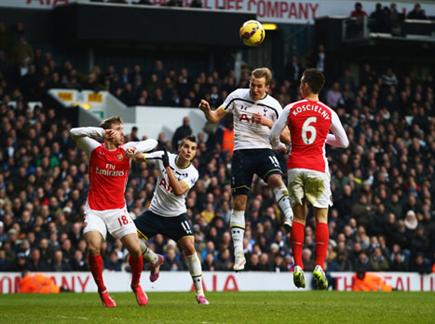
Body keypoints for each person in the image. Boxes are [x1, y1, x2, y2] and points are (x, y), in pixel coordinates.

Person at [198, 67, 293, 271]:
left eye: (259, 86)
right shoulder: (237, 96)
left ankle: (289, 215)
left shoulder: (275, 106)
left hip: (264, 150)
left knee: (276, 179)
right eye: (252, 84)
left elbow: (288, 137)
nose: (254, 89)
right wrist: (207, 110)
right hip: (242, 153)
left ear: (267, 87)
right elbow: (215, 118)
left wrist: (269, 123)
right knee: (239, 203)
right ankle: (239, 254)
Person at [270, 68, 349, 289]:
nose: (299, 85)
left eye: (301, 82)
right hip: (318, 169)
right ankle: (320, 266)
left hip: (296, 167)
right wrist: (323, 139)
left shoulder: (291, 108)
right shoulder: (328, 112)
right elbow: (344, 143)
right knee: (321, 219)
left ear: (306, 85)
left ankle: (297, 265)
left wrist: (282, 146)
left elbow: (273, 136)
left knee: (299, 218)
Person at [70, 116, 157, 307]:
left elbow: (153, 142)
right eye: (118, 129)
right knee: (94, 246)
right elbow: (73, 133)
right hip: (95, 211)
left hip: (118, 211)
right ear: (108, 133)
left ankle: (136, 285)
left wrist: (135, 151)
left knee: (135, 249)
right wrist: (100, 132)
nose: (122, 133)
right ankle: (103, 291)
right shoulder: (94, 149)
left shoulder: (126, 149)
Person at [131, 136, 209, 305]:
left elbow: (179, 190)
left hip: (176, 216)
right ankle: (154, 258)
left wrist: (166, 166)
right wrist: (142, 152)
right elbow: (138, 158)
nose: (188, 151)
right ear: (179, 148)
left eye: (192, 148)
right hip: (155, 212)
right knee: (129, 239)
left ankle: (200, 293)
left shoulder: (193, 172)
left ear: (195, 153)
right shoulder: (163, 155)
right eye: (186, 146)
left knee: (189, 246)